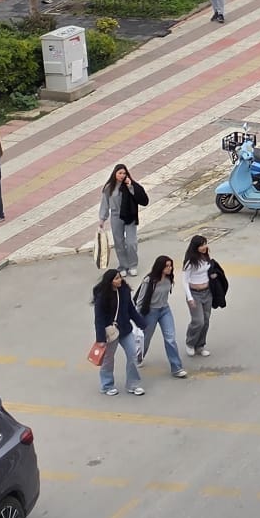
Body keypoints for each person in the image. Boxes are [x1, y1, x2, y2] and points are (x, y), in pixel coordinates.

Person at [132, 256, 190, 379]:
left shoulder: (169, 278)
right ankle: (138, 357)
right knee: (145, 339)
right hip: (150, 312)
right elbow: (140, 301)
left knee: (170, 338)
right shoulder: (149, 280)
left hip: (165, 310)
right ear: (160, 267)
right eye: (167, 266)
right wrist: (137, 319)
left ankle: (177, 368)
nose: (170, 268)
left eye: (171, 265)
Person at [91, 269, 144, 397]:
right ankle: (107, 385)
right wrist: (101, 339)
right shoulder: (102, 296)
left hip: (125, 329)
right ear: (110, 281)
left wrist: (141, 324)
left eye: (120, 277)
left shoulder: (124, 292)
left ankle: (133, 384)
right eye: (116, 278)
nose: (119, 280)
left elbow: (131, 310)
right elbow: (99, 318)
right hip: (110, 333)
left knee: (132, 355)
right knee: (108, 359)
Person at [99, 163, 149, 275]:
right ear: (115, 174)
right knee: (119, 242)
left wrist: (131, 186)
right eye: (120, 173)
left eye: (124, 173)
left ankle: (133, 265)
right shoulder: (109, 188)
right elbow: (105, 204)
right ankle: (123, 266)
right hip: (116, 216)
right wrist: (102, 219)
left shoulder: (130, 185)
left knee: (131, 242)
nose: (122, 175)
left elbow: (142, 199)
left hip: (129, 216)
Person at [183, 234, 227, 357]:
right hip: (194, 294)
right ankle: (190, 343)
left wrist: (213, 276)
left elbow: (208, 271)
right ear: (195, 247)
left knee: (206, 321)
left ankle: (200, 345)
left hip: (207, 293)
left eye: (205, 244)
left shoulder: (206, 258)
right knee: (198, 321)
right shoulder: (190, 262)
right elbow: (185, 281)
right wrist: (190, 297)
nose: (204, 247)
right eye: (201, 245)